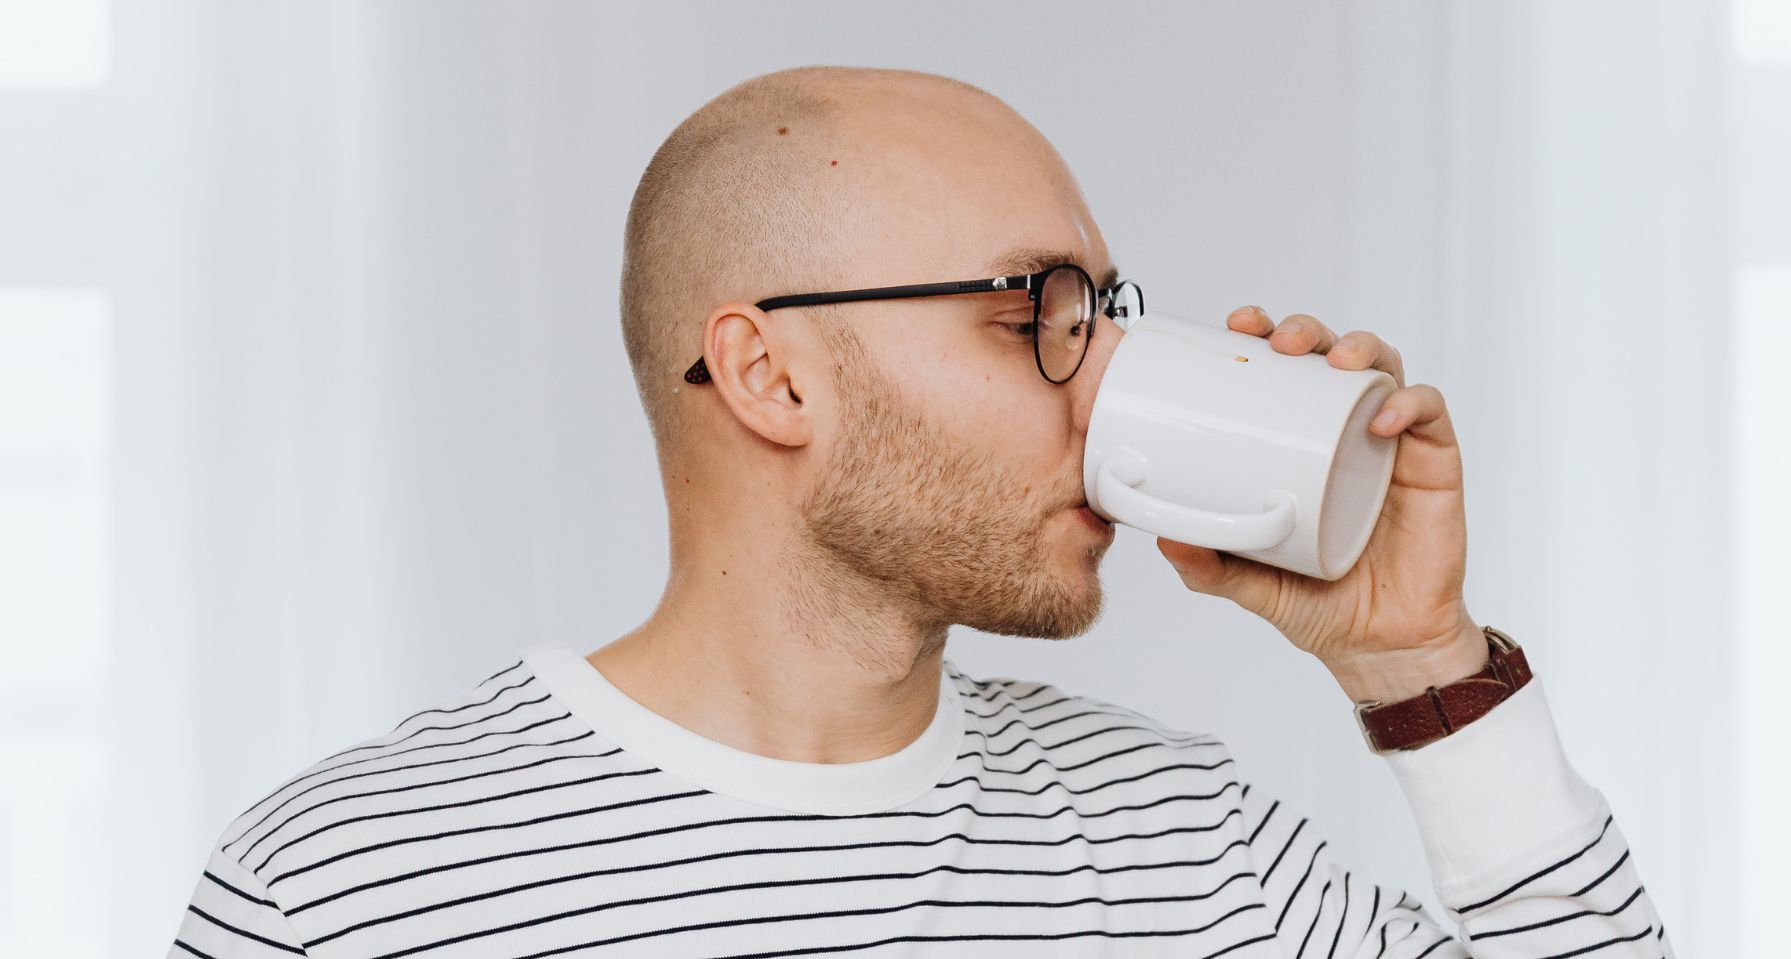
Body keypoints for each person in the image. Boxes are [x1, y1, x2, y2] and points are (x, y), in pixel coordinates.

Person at [167, 65, 1675, 958]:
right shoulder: (354, 885)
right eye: (1039, 310)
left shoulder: (1188, 843)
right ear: (769, 376)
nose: (1108, 389)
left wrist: (1418, 664)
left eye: (1108, 310)